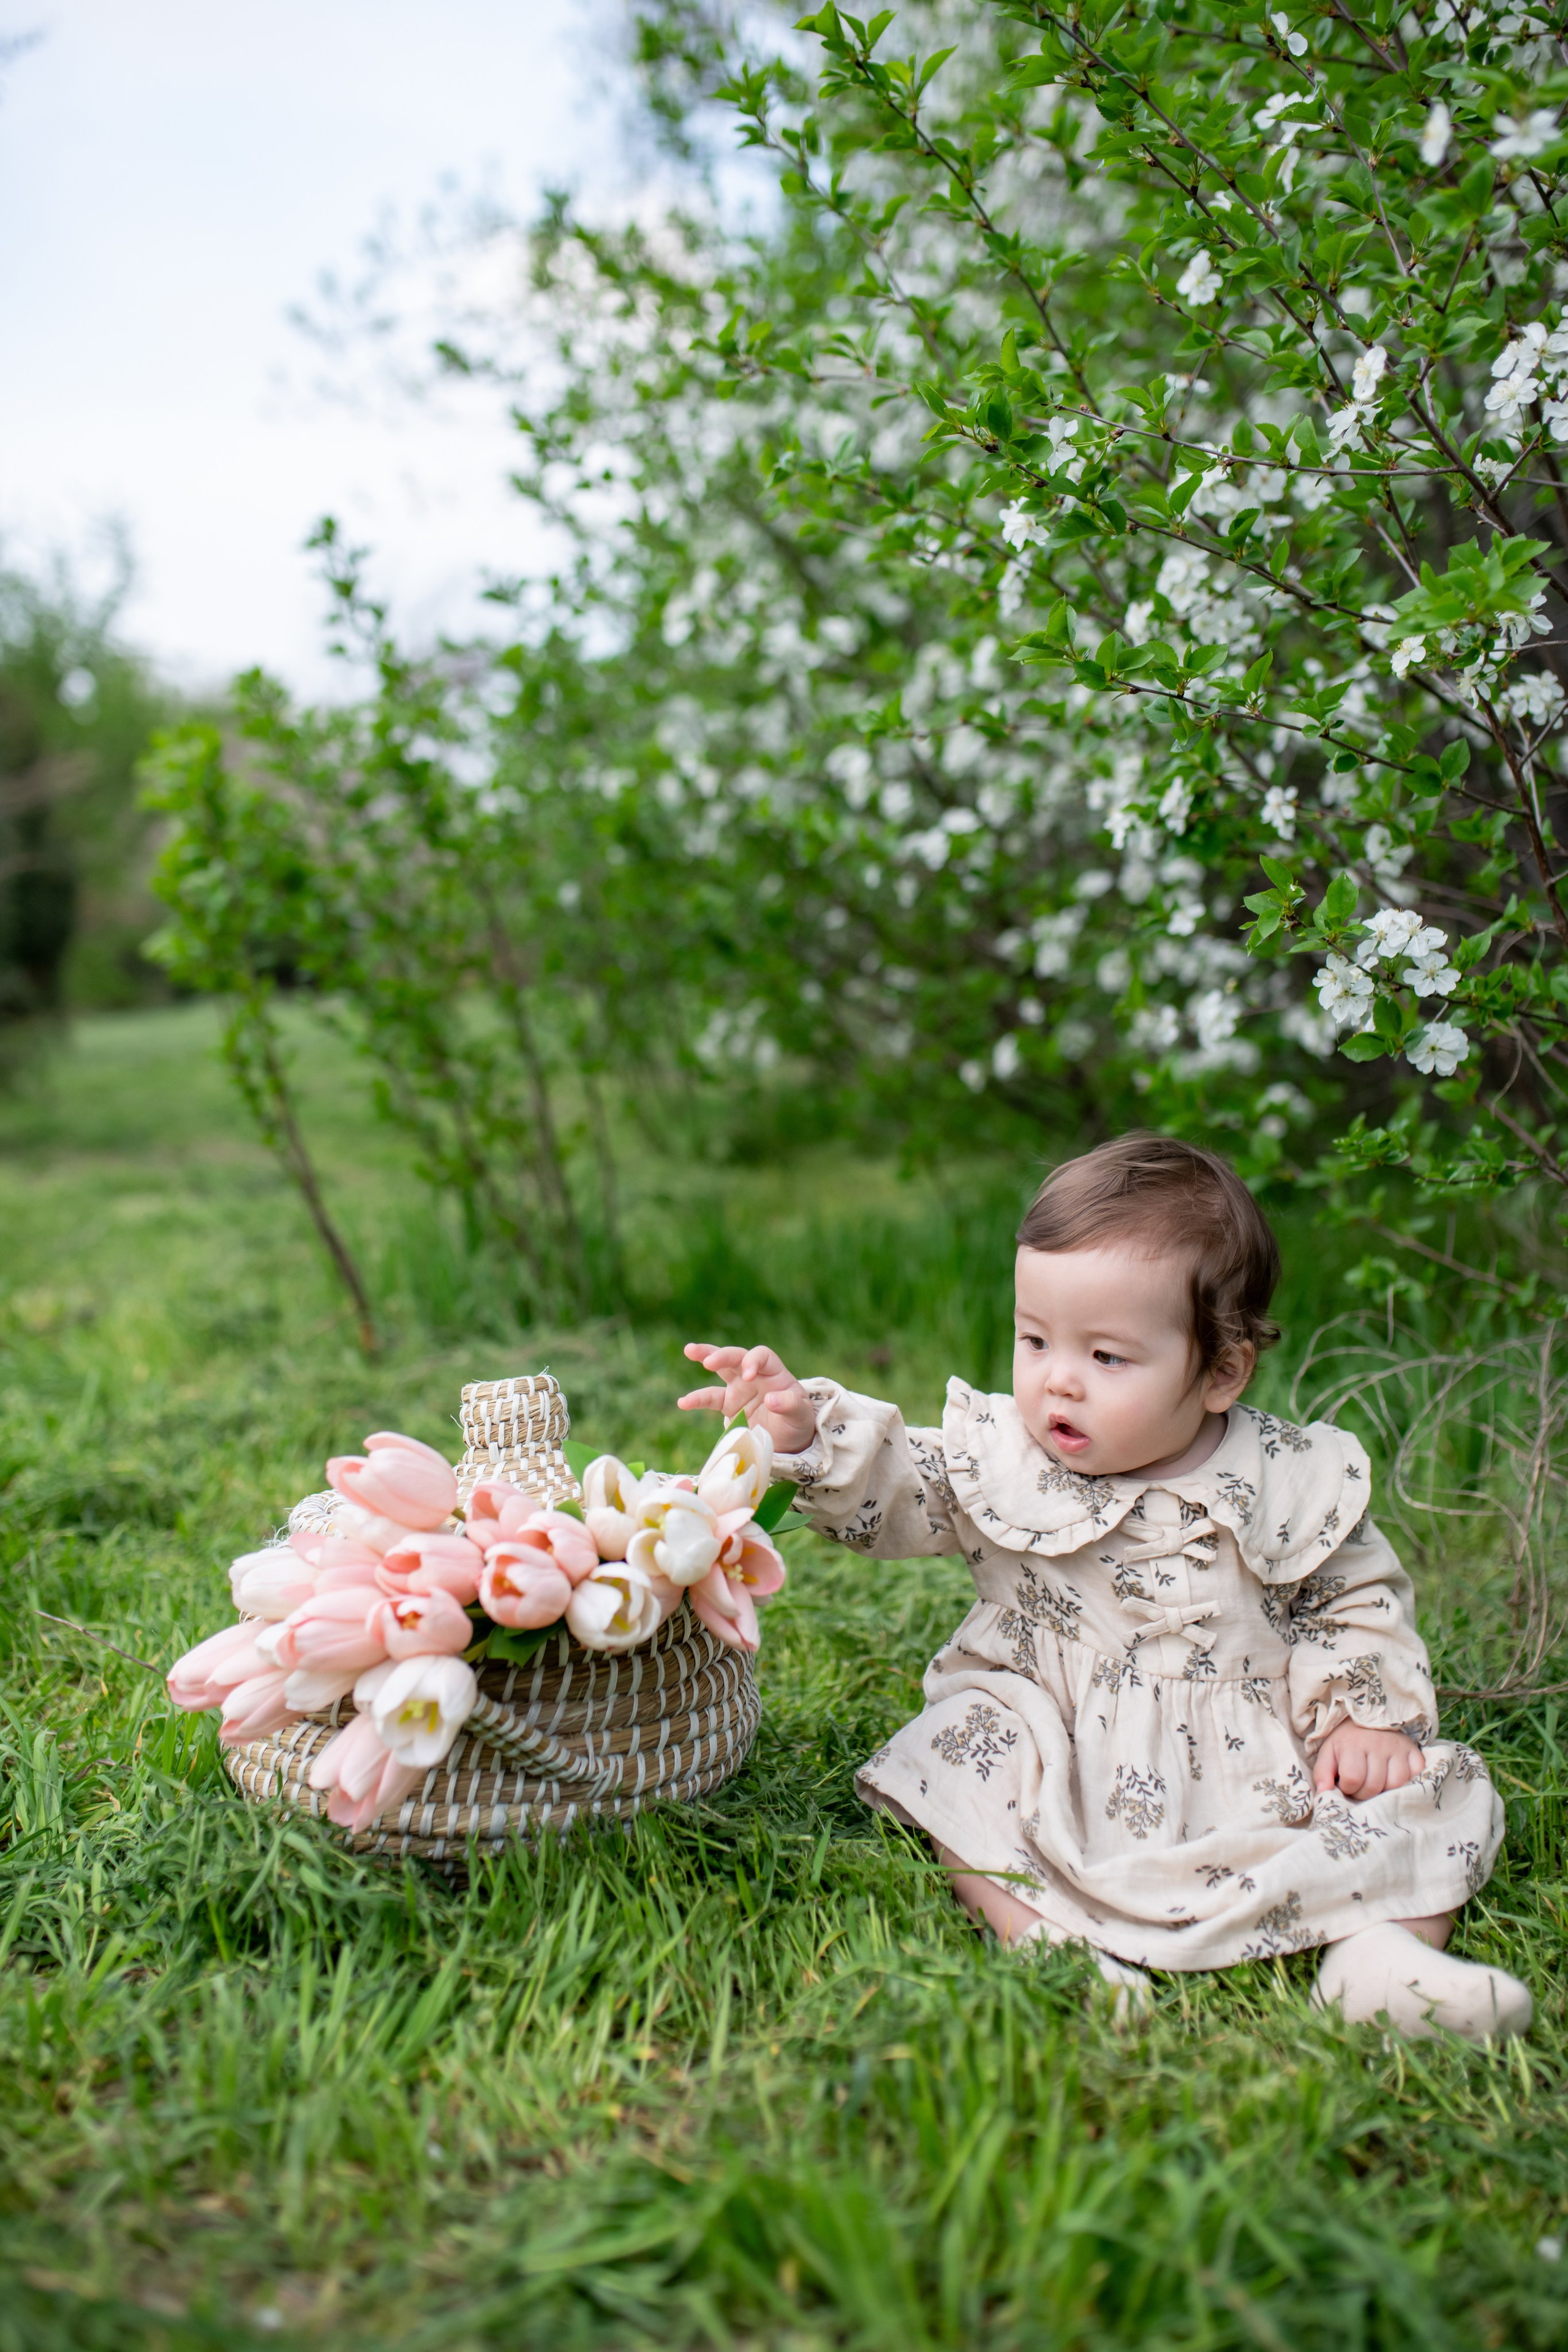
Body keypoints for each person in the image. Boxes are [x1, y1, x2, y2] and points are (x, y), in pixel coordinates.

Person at [680, 1133, 1531, 2042]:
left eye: (1108, 1358)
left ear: (1222, 1371)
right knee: (957, 1756)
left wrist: (1359, 1717)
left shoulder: (1291, 1479)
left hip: (1258, 1754)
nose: (1058, 1382)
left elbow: (1352, 1599)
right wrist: (810, 1431)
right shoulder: (1008, 1460)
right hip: (1061, 1746)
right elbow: (907, 1487)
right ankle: (1044, 1943)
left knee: (1440, 1788)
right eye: (1035, 1339)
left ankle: (1379, 1956)